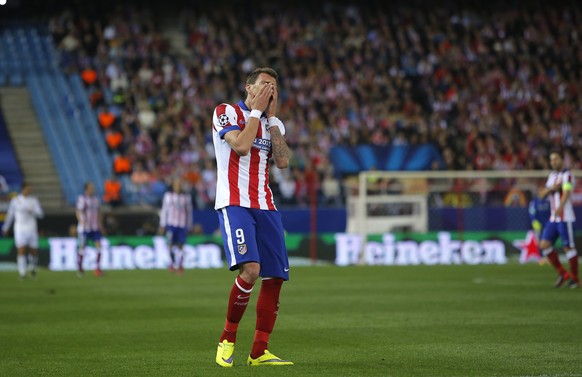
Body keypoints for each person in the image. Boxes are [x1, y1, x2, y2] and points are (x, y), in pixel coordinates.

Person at [212, 67, 293, 367]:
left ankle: (259, 351)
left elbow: (283, 161)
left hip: (266, 205)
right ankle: (227, 338)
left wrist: (269, 118)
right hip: (236, 203)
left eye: (274, 87)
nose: (269, 91)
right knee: (251, 269)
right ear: (248, 87)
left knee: (275, 277)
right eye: (264, 86)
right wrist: (256, 112)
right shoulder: (226, 112)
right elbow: (242, 147)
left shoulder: (274, 124)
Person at [538, 150, 579, 288]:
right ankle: (563, 273)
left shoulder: (567, 175)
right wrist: (552, 188)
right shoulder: (552, 176)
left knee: (568, 247)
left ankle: (575, 278)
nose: (553, 162)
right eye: (551, 159)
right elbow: (542, 194)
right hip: (553, 218)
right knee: (544, 245)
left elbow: (566, 192)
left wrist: (560, 207)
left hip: (565, 216)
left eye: (556, 159)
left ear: (562, 159)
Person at [1, 182, 43, 279]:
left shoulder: (33, 200)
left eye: (30, 189)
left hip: (32, 228)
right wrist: (6, 227)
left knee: (34, 251)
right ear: (23, 189)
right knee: (21, 249)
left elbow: (41, 214)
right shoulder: (15, 201)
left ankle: (32, 268)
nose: (29, 190)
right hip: (20, 229)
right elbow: (10, 215)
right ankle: (22, 272)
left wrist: (33, 210)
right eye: (28, 189)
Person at [158, 179, 193, 274]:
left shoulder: (186, 197)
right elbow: (164, 210)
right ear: (173, 186)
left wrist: (189, 225)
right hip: (171, 224)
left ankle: (180, 264)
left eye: (179, 185)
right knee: (170, 244)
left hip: (182, 225)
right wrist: (162, 224)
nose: (177, 187)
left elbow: (189, 212)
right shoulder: (168, 196)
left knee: (181, 245)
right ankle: (172, 263)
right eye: (176, 185)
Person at [76, 182, 105, 277]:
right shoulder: (82, 199)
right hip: (85, 228)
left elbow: (99, 212)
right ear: (86, 189)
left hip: (95, 227)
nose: (93, 189)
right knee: (82, 248)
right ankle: (80, 269)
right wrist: (80, 221)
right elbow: (78, 211)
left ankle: (97, 268)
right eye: (91, 188)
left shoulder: (96, 200)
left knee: (99, 246)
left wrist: (100, 224)